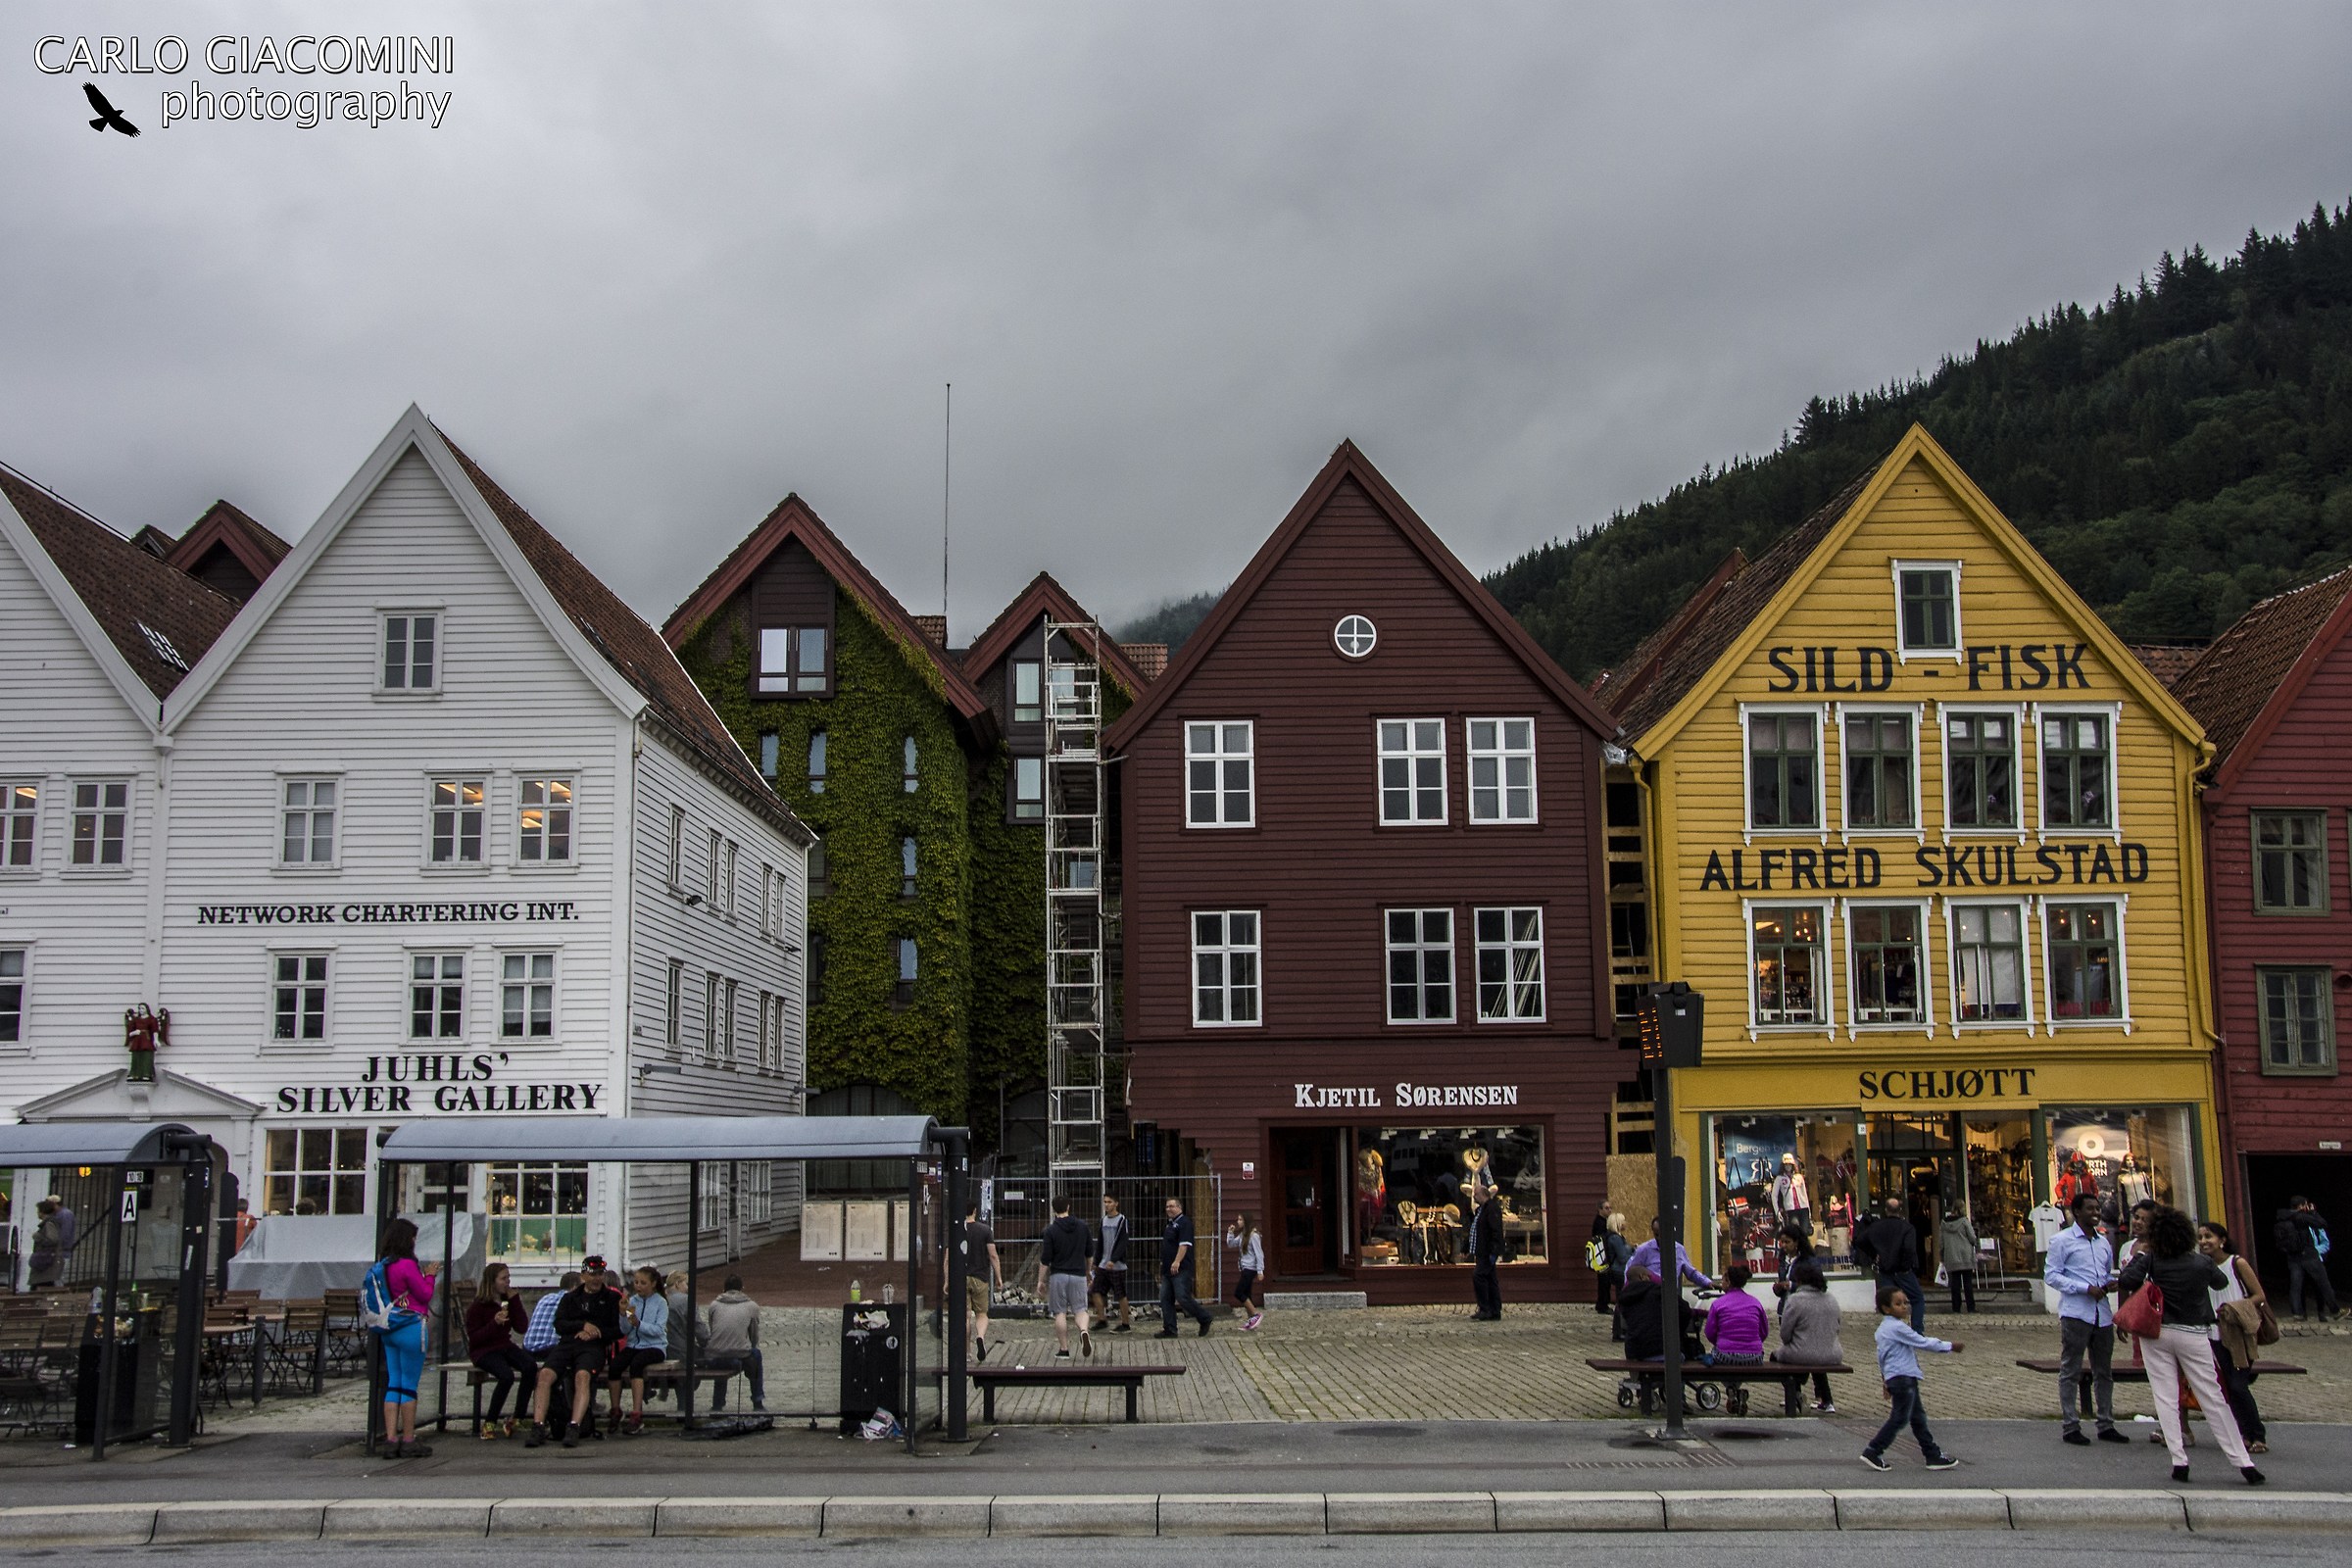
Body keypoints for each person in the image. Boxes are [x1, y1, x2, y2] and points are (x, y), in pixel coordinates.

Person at [2118, 1206, 2265, 1485]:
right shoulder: (2201, 1263)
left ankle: (2179, 1460)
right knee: (2213, 1395)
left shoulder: (2152, 1259)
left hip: (2158, 1332)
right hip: (2194, 1332)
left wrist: (2143, 1252)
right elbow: (2220, 1283)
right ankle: (2243, 1462)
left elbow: (2126, 1280)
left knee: (2166, 1396)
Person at [2044, 1190, 2129, 1446]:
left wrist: (2108, 1284)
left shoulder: (2102, 1242)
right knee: (2071, 1369)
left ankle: (2105, 1422)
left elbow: (2103, 1272)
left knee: (2104, 1370)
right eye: (2090, 1209)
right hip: (2076, 1313)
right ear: (2076, 1212)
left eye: (2098, 1209)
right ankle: (2071, 1425)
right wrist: (2083, 1288)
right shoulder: (2062, 1240)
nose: (2096, 1213)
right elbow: (2052, 1275)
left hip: (2101, 1314)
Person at [1857, 1286, 1961, 1472]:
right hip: (1903, 1378)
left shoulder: (1883, 1329)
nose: (1905, 1307)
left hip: (1899, 1377)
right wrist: (1950, 1346)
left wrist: (1885, 1380)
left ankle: (1932, 1455)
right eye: (1898, 1304)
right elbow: (1921, 1342)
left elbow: (1882, 1358)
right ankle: (1873, 1450)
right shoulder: (1897, 1327)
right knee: (1900, 1418)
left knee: (1917, 1418)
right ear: (1885, 1308)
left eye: (1906, 1302)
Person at [528, 1253, 623, 1449]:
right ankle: (538, 1425)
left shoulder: (612, 1298)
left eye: (600, 1274)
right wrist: (582, 1325)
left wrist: (596, 1333)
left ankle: (575, 1425)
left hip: (593, 1347)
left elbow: (617, 1329)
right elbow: (560, 1324)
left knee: (582, 1376)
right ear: (583, 1276)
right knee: (544, 1375)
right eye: (593, 1274)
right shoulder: (570, 1298)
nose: (597, 1278)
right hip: (568, 1343)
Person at [371, 1217, 438, 1459]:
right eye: (413, 1238)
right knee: (409, 1384)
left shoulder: (383, 1265)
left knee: (394, 1382)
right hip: (410, 1326)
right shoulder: (408, 1266)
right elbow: (425, 1294)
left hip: (389, 1329)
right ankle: (408, 1438)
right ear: (407, 1240)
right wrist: (430, 1275)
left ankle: (390, 1439)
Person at [2199, 1220, 2268, 1455]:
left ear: (2222, 1240)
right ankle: (2241, 1433)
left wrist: (2234, 1308)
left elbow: (2258, 1295)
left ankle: (2256, 1434)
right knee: (2225, 1386)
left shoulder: (2237, 1263)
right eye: (2200, 1238)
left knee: (2239, 1386)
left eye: (2208, 1236)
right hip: (2212, 1334)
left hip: (2238, 1332)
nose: (2204, 1242)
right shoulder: (2202, 1267)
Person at [465, 1262, 536, 1440]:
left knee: (530, 1366)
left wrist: (515, 1301)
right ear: (492, 1281)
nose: (507, 1282)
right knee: (506, 1376)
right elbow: (475, 1338)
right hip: (484, 1350)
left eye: (508, 1278)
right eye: (503, 1278)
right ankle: (490, 1421)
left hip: (504, 1345)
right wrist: (494, 1323)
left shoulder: (506, 1302)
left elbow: (521, 1327)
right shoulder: (478, 1307)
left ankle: (517, 1416)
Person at [1772, 1259, 1841, 1413]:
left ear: (1800, 1280)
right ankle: (1827, 1401)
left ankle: (1795, 1392)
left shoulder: (1795, 1300)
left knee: (1776, 1356)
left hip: (1802, 1353)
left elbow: (1785, 1335)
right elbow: (1837, 1327)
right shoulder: (1831, 1299)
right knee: (1817, 1358)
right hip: (1832, 1354)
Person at [1037, 1196, 1095, 1359]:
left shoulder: (1050, 1230)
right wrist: (1088, 1271)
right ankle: (1083, 1330)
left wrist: (1040, 1280)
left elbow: (1045, 1258)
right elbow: (1089, 1253)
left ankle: (1064, 1349)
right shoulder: (1083, 1227)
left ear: (1054, 1209)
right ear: (1069, 1206)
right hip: (1078, 1274)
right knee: (1081, 1310)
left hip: (1058, 1275)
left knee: (1060, 1312)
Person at [1855, 1197, 1926, 1332]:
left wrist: (1873, 1254)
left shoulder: (1876, 1227)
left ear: (1886, 1210)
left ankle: (1892, 1329)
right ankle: (1917, 1330)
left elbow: (1860, 1241)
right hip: (1902, 1271)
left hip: (1885, 1269)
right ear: (1900, 1211)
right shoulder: (1907, 1228)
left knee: (1889, 1301)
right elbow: (1910, 1249)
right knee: (1917, 1299)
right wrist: (1906, 1266)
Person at [613, 1266, 668, 1434]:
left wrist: (640, 1325)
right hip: (633, 1344)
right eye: (636, 1282)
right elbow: (625, 1330)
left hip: (654, 1346)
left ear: (653, 1284)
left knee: (637, 1365)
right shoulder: (633, 1302)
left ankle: (636, 1413)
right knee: (615, 1366)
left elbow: (659, 1329)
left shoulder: (661, 1303)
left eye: (643, 1283)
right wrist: (623, 1314)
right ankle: (615, 1409)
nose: (638, 1286)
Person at [704, 1274, 767, 1412]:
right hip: (739, 1354)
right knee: (756, 1355)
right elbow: (754, 1336)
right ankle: (758, 1401)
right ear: (742, 1288)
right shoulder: (752, 1306)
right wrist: (749, 1346)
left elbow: (713, 1330)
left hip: (715, 1355)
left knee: (722, 1356)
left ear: (724, 1289)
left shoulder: (714, 1305)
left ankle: (717, 1404)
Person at [2275, 1197, 2339, 1321]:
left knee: (2296, 1286)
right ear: (2301, 1206)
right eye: (2305, 1205)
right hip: (2309, 1255)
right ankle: (2335, 1310)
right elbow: (2322, 1224)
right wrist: (2313, 1212)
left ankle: (2297, 1313)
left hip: (2293, 1257)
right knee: (2323, 1283)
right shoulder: (2302, 1217)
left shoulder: (2282, 1218)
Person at [1156, 1196, 1212, 1338]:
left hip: (1181, 1268)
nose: (1169, 1209)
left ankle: (1204, 1318)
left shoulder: (1184, 1223)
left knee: (1182, 1297)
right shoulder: (1170, 1224)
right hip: (1168, 1269)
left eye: (1172, 1206)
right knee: (1165, 1298)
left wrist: (1177, 1261)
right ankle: (1170, 1329)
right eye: (1167, 1206)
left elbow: (1184, 1245)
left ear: (1179, 1208)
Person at [1626, 1216, 1713, 1293]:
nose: (1660, 1238)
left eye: (1663, 1234)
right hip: (1650, 1294)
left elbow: (1691, 1272)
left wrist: (1707, 1282)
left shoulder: (1679, 1250)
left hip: (1670, 1295)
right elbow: (1630, 1273)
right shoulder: (1644, 1250)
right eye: (1656, 1234)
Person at [1702, 1265, 1769, 1365]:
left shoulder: (1718, 1304)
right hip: (1755, 1357)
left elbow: (1709, 1332)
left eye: (1723, 1280)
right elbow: (1763, 1331)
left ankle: (1730, 1381)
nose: (1721, 1283)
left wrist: (1722, 1342)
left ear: (1728, 1282)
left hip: (1725, 1356)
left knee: (1711, 1355)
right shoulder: (1755, 1303)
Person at [964, 1202, 1001, 1362]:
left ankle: (967, 1352)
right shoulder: (985, 1230)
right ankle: (980, 1336)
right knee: (981, 1314)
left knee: (964, 1317)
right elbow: (993, 1255)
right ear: (975, 1211)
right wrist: (999, 1277)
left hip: (961, 1278)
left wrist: (947, 1280)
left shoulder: (956, 1230)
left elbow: (947, 1258)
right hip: (980, 1277)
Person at [1093, 1195, 1133, 1333]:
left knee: (1120, 1294)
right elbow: (1100, 1242)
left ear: (1116, 1203)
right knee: (1095, 1290)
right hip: (1103, 1264)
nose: (1107, 1205)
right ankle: (1101, 1319)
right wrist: (1096, 1261)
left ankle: (1125, 1323)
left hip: (1117, 1266)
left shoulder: (1122, 1220)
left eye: (1109, 1202)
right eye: (1105, 1202)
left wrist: (1114, 1259)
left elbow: (1123, 1242)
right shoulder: (1103, 1220)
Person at [1468, 1179, 1504, 1321]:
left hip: (1487, 1251)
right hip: (1482, 1250)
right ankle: (1495, 1309)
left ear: (1483, 1194)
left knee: (1479, 1276)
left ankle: (1485, 1308)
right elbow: (1476, 1230)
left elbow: (1496, 1231)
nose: (1474, 1197)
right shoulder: (1480, 1210)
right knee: (1490, 1279)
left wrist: (1494, 1251)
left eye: (1475, 1194)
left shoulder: (1492, 1209)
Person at [1225, 1211, 1266, 1329]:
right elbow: (1231, 1244)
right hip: (1244, 1267)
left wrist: (1260, 1271)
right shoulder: (1243, 1235)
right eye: (1238, 1220)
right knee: (1247, 1294)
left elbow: (1259, 1254)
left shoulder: (1254, 1235)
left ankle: (1255, 1314)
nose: (1238, 1222)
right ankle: (1251, 1321)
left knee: (1239, 1292)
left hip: (1250, 1268)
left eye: (1240, 1220)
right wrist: (1230, 1233)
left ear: (1246, 1221)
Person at [523, 1270, 579, 1353]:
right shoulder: (574, 1301)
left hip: (528, 1348)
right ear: (575, 1287)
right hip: (552, 1350)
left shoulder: (546, 1298)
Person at [1618, 1264, 1664, 1361]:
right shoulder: (1657, 1293)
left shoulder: (1625, 1297)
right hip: (1658, 1349)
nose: (1652, 1278)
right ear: (1642, 1277)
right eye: (1650, 1276)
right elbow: (1684, 1311)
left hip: (1633, 1350)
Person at [1939, 1207, 1980, 1314]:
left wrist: (1942, 1254)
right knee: (1967, 1283)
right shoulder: (1964, 1222)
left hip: (1952, 1256)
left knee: (1955, 1283)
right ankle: (1970, 1307)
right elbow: (1972, 1238)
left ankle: (1956, 1308)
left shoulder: (1944, 1224)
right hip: (1965, 1255)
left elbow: (1941, 1241)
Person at [1600, 1213, 1633, 1337]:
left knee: (1622, 1300)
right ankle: (1619, 1331)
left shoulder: (1618, 1237)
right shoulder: (1615, 1238)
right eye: (1623, 1221)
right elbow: (1622, 1257)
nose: (1625, 1223)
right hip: (1619, 1272)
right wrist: (1635, 1254)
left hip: (1619, 1271)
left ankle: (1621, 1329)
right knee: (1621, 1301)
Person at [27, 1198, 66, 1288]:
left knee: (39, 1288)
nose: (37, 1213)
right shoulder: (50, 1223)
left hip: (45, 1263)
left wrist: (37, 1237)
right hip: (46, 1263)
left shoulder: (49, 1224)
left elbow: (53, 1240)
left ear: (42, 1211)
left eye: (38, 1210)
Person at [1590, 1200, 1617, 1313]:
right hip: (1601, 1255)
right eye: (1606, 1208)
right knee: (1604, 1281)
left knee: (1605, 1281)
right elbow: (1602, 1239)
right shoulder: (1599, 1223)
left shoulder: (1603, 1222)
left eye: (1610, 1208)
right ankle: (1602, 1305)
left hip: (1602, 1255)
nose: (1609, 1210)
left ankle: (1602, 1303)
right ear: (1600, 1209)